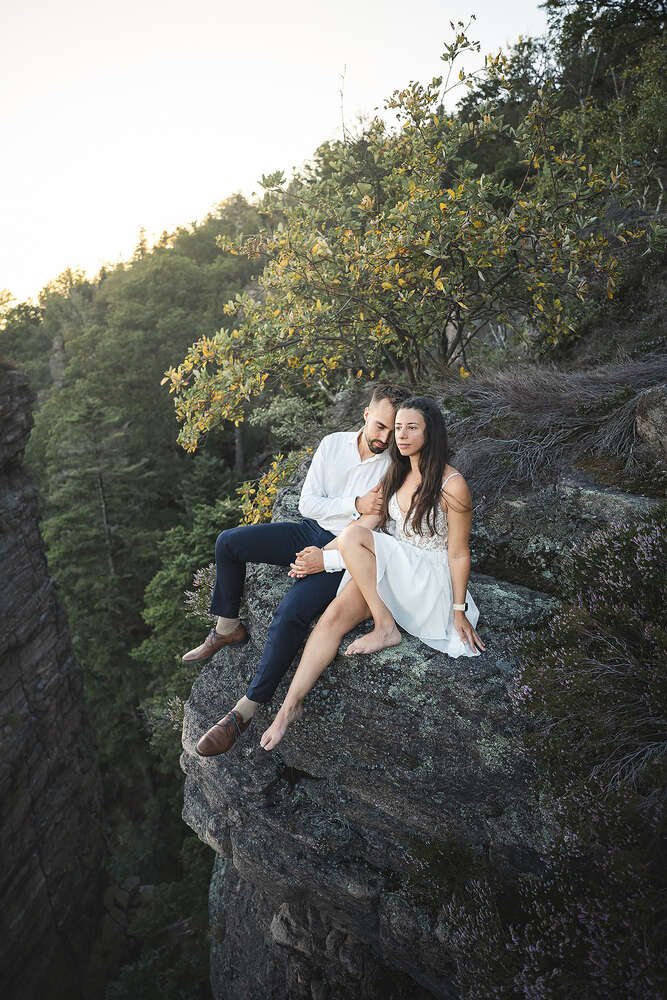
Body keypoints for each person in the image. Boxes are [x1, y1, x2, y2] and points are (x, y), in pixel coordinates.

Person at [186, 384, 409, 757]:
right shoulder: (333, 444)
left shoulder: (394, 468)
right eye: (381, 427)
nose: (385, 438)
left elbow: (370, 527)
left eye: (394, 430)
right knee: (228, 542)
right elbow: (308, 504)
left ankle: (244, 711)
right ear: (367, 416)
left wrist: (322, 557)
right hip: (310, 530)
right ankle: (228, 628)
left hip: (347, 553)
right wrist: (353, 503)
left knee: (289, 613)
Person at [259, 396, 485, 751]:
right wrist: (321, 555)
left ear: (431, 432)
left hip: (425, 574)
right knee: (331, 617)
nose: (403, 435)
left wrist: (458, 611)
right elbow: (367, 523)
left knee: (356, 537)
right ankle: (289, 709)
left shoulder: (452, 484)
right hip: (392, 562)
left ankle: (385, 627)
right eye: (398, 428)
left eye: (412, 428)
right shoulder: (395, 471)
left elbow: (458, 553)